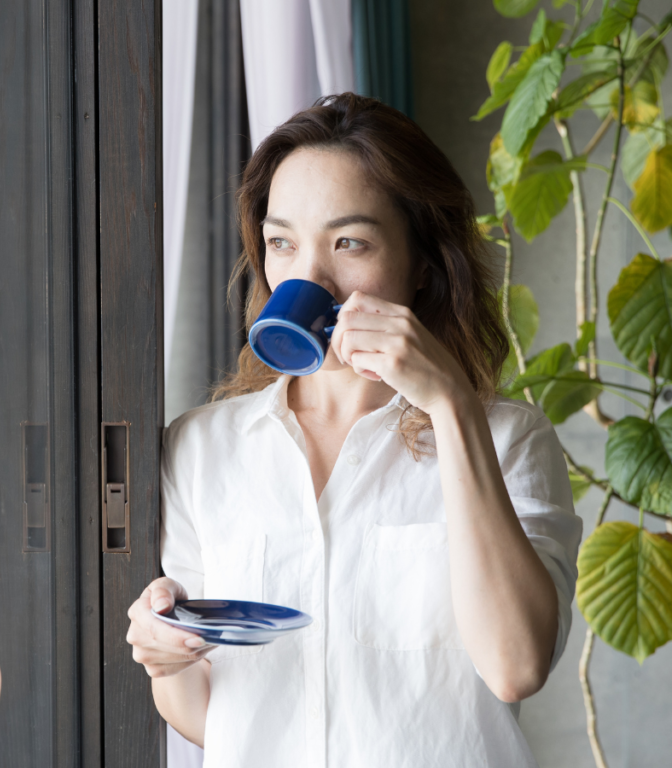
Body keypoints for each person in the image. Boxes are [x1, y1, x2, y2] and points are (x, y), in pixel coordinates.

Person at [126, 93, 582, 767]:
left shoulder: (509, 441)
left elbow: (516, 667)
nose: (308, 278)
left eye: (350, 243)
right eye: (282, 243)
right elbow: (210, 718)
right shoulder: (201, 448)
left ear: (423, 263)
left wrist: (452, 406)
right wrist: (166, 660)